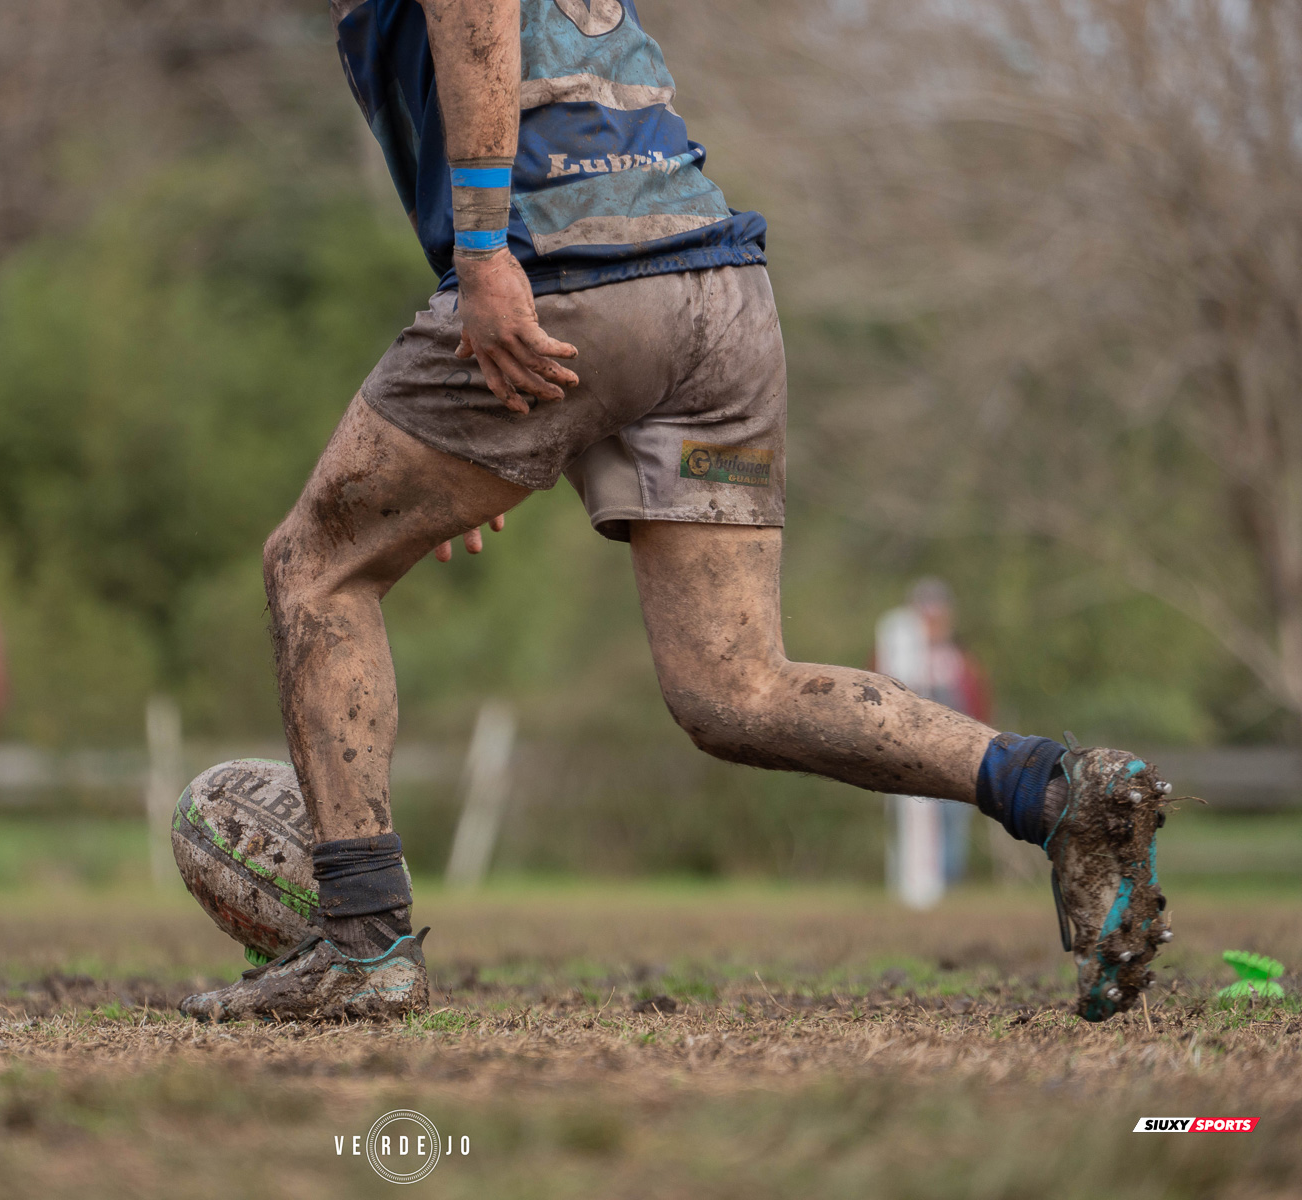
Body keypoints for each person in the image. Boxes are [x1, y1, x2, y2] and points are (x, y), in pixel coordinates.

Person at [179, 0, 1173, 1024]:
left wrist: (482, 260)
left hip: (575, 281)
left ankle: (362, 940)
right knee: (732, 687)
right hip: (715, 296)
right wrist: (472, 430)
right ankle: (1056, 794)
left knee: (315, 565)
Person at [876, 579, 992, 891]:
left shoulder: (960, 659)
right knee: (916, 819)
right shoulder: (898, 656)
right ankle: (918, 884)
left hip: (959, 751)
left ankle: (946, 883)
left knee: (954, 819)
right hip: (912, 752)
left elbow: (977, 703)